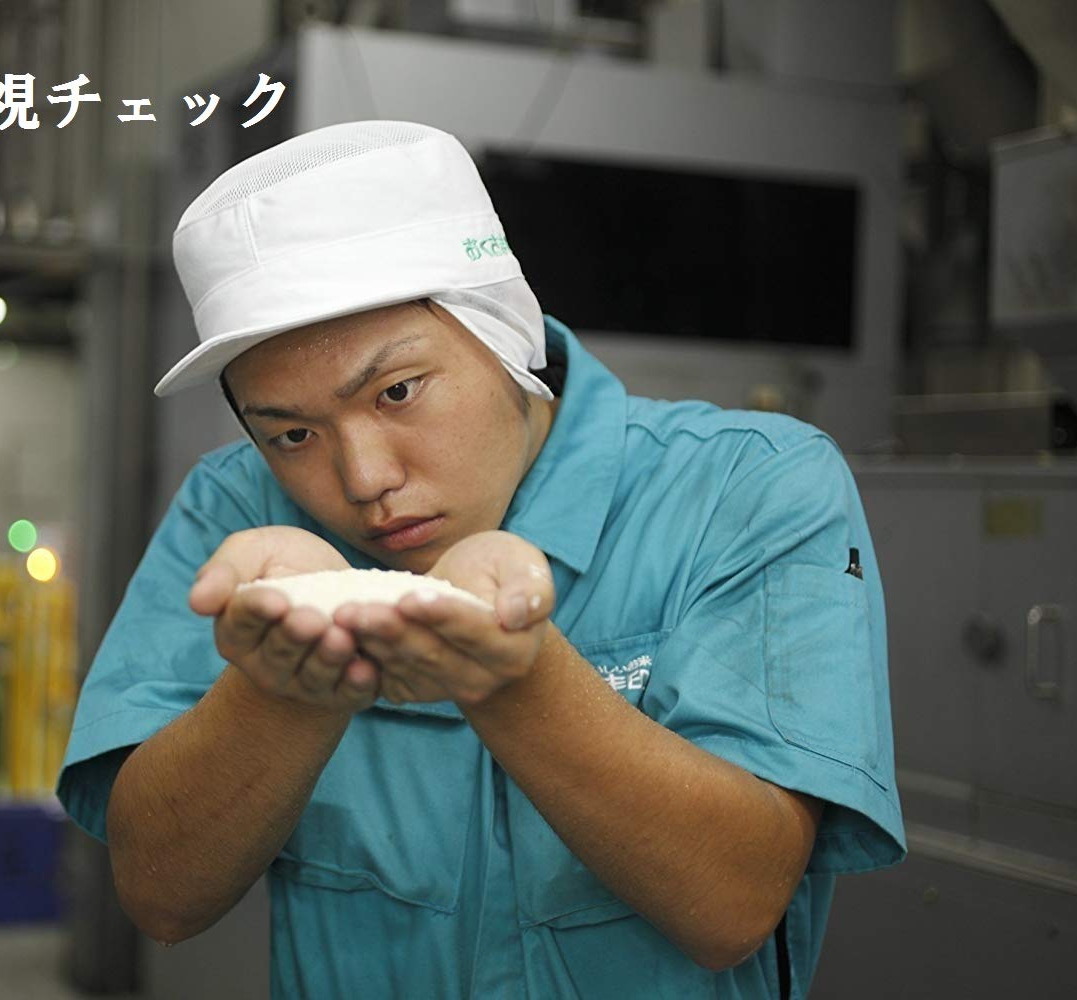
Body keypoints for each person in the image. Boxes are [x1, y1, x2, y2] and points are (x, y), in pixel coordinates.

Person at [57, 120, 905, 999]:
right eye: (293, 434)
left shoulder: (745, 488)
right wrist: (284, 687)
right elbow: (161, 894)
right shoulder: (237, 510)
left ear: (505, 330)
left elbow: (733, 904)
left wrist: (516, 679)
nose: (364, 479)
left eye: (397, 391)